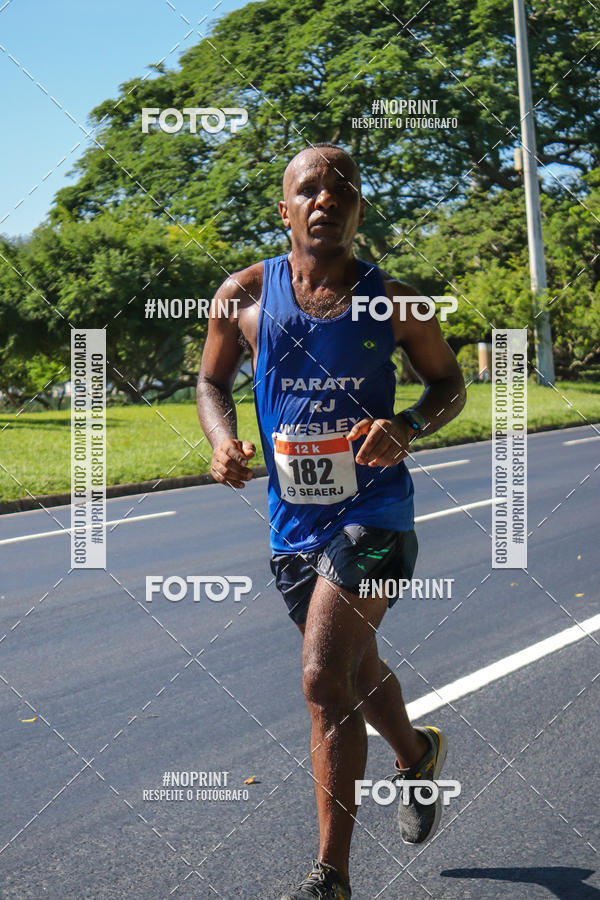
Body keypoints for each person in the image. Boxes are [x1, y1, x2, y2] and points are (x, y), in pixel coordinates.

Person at [197, 142, 466, 899]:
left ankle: (331, 878)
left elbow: (448, 384)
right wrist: (223, 444)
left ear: (357, 209)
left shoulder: (394, 300)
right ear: (283, 211)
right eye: (308, 189)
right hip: (294, 525)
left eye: (341, 188)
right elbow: (211, 381)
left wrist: (409, 424)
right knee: (353, 673)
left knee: (322, 678)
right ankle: (416, 757)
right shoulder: (244, 296)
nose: (326, 199)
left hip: (376, 514)